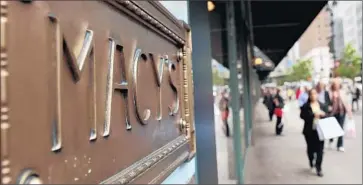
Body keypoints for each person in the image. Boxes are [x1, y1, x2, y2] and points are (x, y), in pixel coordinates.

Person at [300, 89, 328, 177]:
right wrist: (313, 115)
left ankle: (318, 167)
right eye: (311, 94)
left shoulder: (322, 105)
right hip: (310, 131)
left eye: (315, 94)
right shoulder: (306, 106)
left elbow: (328, 115)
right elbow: (302, 116)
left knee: (320, 150)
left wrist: (324, 115)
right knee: (311, 149)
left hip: (320, 130)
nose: (313, 96)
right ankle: (311, 159)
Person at [327, 79, 353, 152]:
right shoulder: (330, 92)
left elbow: (346, 102)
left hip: (341, 112)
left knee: (341, 129)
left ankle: (340, 145)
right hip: (333, 113)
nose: (337, 86)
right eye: (335, 84)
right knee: (332, 128)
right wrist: (333, 97)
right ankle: (331, 139)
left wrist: (349, 112)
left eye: (338, 84)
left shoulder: (342, 92)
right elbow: (328, 102)